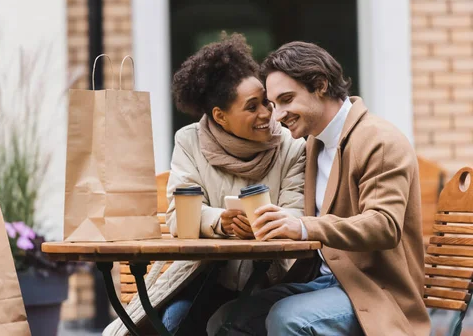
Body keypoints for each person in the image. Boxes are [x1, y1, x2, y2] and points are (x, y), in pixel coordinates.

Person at [207, 41, 430, 336]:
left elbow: (384, 225)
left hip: (378, 292)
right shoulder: (313, 145)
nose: (277, 115)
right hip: (326, 280)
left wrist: (303, 227)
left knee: (288, 318)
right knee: (226, 319)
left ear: (320, 85)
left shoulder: (379, 141)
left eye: (286, 99)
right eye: (274, 105)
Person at [103, 34, 306, 336]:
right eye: (252, 107)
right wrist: (221, 222)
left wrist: (264, 226)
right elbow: (177, 215)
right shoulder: (189, 142)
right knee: (170, 325)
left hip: (272, 282)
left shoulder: (292, 145)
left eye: (266, 101)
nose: (267, 114)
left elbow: (296, 213)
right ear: (220, 117)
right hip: (204, 277)